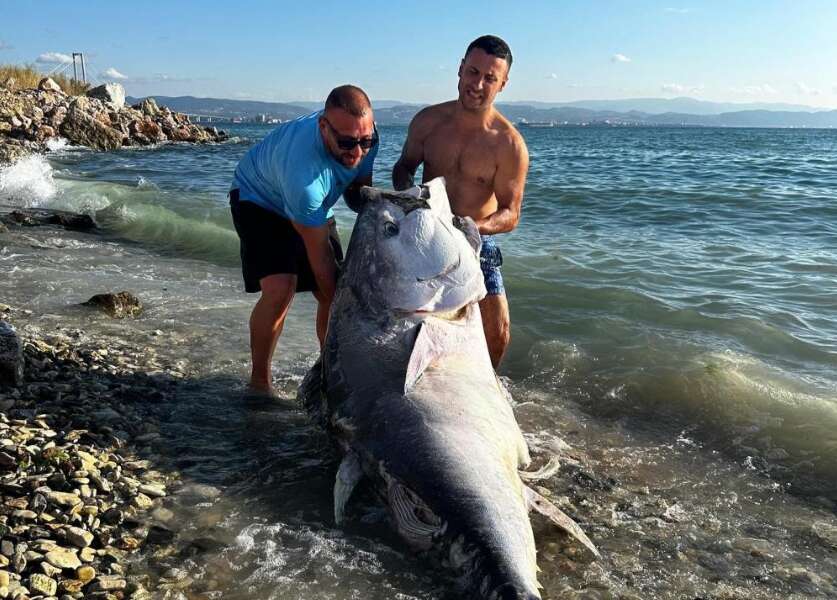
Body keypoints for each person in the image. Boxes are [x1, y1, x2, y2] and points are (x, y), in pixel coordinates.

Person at [230, 85, 378, 394]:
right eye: (348, 142)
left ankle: (330, 373)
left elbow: (357, 193)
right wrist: (348, 313)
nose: (357, 152)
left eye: (365, 141)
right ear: (323, 127)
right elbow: (320, 259)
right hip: (258, 198)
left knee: (334, 291)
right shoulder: (305, 180)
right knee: (282, 288)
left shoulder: (366, 140)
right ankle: (259, 383)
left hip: (311, 206)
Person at [392, 35, 529, 369]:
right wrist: (411, 199)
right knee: (402, 323)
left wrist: (469, 227)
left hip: (475, 241)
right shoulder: (428, 122)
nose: (477, 84)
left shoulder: (508, 144)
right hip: (425, 234)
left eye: (490, 78)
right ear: (460, 69)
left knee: (497, 332)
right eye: (472, 72)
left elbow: (510, 214)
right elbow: (403, 168)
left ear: (503, 84)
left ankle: (486, 389)